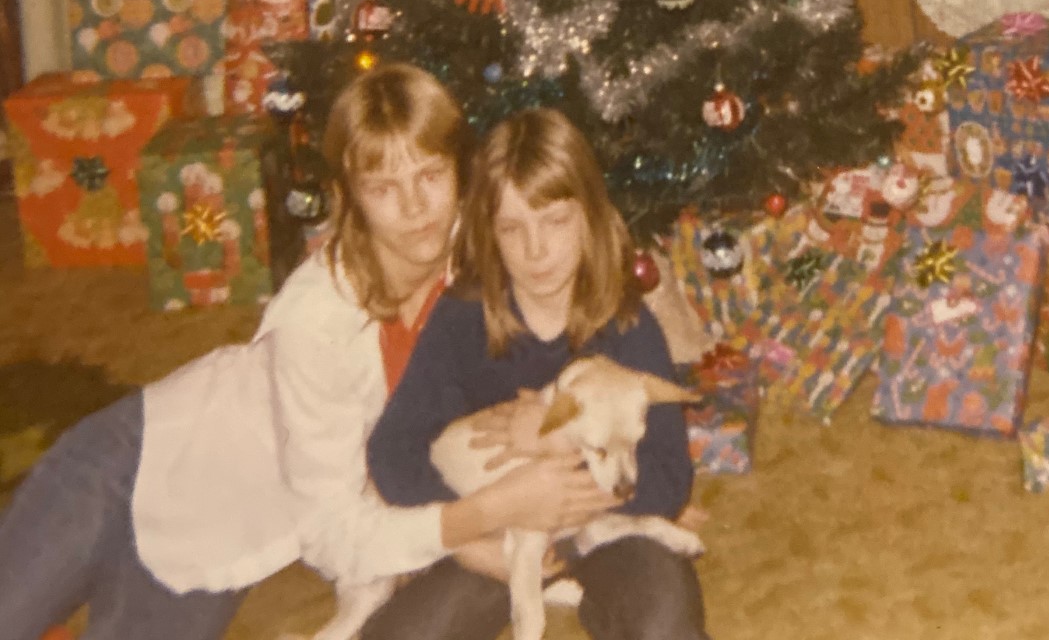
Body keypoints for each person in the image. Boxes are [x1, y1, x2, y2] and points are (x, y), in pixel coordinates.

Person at [0, 65, 616, 640]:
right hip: (129, 457)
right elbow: (337, 539)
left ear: (460, 169)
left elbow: (591, 271)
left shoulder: (482, 249)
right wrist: (480, 517)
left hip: (224, 531)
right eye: (383, 187)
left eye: (430, 175)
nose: (415, 208)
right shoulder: (317, 321)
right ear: (349, 195)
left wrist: (628, 490)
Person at [363, 107, 710, 640]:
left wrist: (556, 448)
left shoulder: (629, 326)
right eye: (513, 228)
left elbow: (668, 479)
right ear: (489, 232)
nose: (537, 248)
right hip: (497, 534)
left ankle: (591, 587)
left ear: (591, 216)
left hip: (610, 530)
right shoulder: (461, 320)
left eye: (555, 220)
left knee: (665, 618)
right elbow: (392, 451)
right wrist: (475, 523)